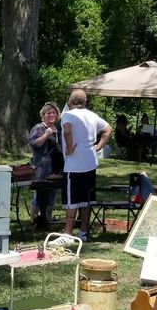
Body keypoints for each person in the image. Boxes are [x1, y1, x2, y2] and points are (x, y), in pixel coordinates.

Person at [49, 89, 112, 245]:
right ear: (85, 101)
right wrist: (98, 147)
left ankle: (67, 234)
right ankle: (84, 232)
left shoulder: (68, 115)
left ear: (71, 101)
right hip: (90, 162)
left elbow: (67, 131)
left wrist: (70, 148)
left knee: (72, 200)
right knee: (86, 199)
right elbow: (108, 129)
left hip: (74, 164)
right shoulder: (92, 115)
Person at [27, 101, 63, 230]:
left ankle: (47, 221)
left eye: (54, 113)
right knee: (40, 196)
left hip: (56, 169)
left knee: (52, 196)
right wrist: (46, 134)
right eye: (48, 113)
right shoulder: (39, 128)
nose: (51, 115)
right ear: (43, 114)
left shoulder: (57, 129)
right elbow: (34, 144)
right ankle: (33, 221)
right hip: (42, 168)